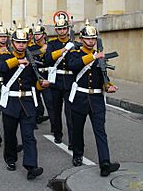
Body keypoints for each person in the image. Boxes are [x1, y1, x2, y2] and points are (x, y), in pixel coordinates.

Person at [0, 25, 49, 180]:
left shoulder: (32, 58)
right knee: (10, 135)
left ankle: (31, 166)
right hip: (11, 101)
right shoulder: (6, 55)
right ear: (13, 43)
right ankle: (10, 159)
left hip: (27, 102)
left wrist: (42, 84)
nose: (21, 45)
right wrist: (18, 61)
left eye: (24, 42)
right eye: (18, 42)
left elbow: (34, 81)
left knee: (29, 136)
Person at [66, 21, 120, 177]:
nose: (91, 41)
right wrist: (93, 56)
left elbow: (103, 75)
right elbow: (73, 65)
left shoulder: (99, 56)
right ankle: (77, 155)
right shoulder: (76, 53)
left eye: (93, 39)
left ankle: (105, 163)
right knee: (77, 129)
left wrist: (108, 86)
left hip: (96, 98)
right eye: (88, 39)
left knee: (100, 132)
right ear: (82, 39)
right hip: (80, 97)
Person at [44, 15, 74, 150]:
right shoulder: (52, 44)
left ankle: (73, 140)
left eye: (64, 28)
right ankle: (57, 132)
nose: (62, 31)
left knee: (71, 113)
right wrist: (63, 50)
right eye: (59, 29)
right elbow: (48, 59)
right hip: (55, 81)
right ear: (56, 30)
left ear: (68, 29)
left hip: (70, 81)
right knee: (56, 110)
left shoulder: (75, 45)